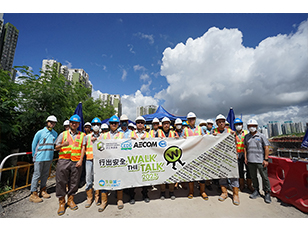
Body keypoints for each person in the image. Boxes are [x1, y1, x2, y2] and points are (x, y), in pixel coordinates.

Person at [54, 114, 86, 216]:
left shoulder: (82, 135)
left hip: (76, 161)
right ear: (69, 123)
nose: (74, 124)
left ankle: (70, 200)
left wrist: (81, 160)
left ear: (78, 124)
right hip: (63, 160)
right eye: (72, 122)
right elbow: (56, 147)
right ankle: (62, 202)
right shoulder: (62, 134)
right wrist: (62, 145)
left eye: (76, 123)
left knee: (74, 181)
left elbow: (83, 148)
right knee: (61, 181)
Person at [29, 115, 58, 203]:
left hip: (48, 157)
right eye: (51, 122)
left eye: (54, 123)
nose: (52, 124)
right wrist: (34, 155)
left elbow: (55, 145)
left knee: (45, 174)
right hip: (39, 157)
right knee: (37, 175)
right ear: (47, 122)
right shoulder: (40, 132)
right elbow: (34, 145)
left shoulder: (55, 134)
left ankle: (43, 190)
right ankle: (33, 193)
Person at [212, 114, 240, 205]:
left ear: (225, 122)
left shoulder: (230, 131)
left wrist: (233, 135)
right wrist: (213, 136)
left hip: (230, 157)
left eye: (222, 122)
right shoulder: (214, 131)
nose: (221, 123)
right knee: (222, 176)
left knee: (233, 176)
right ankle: (224, 193)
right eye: (219, 122)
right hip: (220, 158)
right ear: (216, 123)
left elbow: (235, 142)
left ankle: (235, 195)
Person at [82, 117, 108, 212]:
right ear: (92, 126)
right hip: (89, 159)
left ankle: (100, 198)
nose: (96, 126)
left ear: (100, 126)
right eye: (94, 125)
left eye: (98, 125)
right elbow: (83, 148)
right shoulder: (87, 137)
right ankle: (90, 198)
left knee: (101, 178)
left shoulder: (104, 136)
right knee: (89, 178)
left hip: (101, 160)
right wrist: (81, 159)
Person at [244, 119, 271, 204]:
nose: (252, 127)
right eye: (250, 126)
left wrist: (266, 159)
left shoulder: (261, 136)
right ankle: (256, 190)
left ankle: (267, 192)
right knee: (253, 177)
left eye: (253, 126)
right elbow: (245, 147)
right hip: (251, 160)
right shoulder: (247, 137)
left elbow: (266, 147)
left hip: (260, 160)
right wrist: (246, 157)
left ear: (256, 126)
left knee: (264, 177)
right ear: (248, 127)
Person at [182, 112, 208, 200]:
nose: (191, 120)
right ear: (187, 120)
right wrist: (183, 139)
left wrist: (214, 136)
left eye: (192, 118)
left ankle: (202, 192)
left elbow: (207, 139)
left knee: (201, 175)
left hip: (200, 155)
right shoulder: (184, 130)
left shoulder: (200, 129)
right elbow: (180, 142)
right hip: (189, 155)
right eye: (189, 119)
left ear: (195, 119)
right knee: (190, 175)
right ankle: (191, 191)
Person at [102, 115, 125, 209]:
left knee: (118, 179)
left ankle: (119, 200)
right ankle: (104, 201)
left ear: (118, 124)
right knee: (104, 180)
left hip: (118, 161)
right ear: (109, 124)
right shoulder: (103, 135)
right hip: (106, 162)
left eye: (115, 123)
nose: (114, 124)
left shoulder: (122, 135)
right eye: (112, 123)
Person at [128, 116, 151, 204]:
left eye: (142, 122)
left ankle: (145, 194)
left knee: (144, 178)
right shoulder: (131, 133)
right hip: (133, 159)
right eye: (138, 122)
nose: (140, 124)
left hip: (144, 159)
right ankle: (132, 196)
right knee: (132, 177)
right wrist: (131, 140)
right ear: (136, 124)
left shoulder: (148, 134)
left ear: (144, 124)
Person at [156, 117, 179, 200]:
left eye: (167, 124)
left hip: (171, 157)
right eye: (164, 124)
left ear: (170, 125)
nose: (166, 125)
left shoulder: (174, 133)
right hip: (161, 157)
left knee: (171, 175)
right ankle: (162, 192)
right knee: (162, 175)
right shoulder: (158, 133)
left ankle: (171, 191)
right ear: (162, 125)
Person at [234, 118, 254, 193]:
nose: (238, 126)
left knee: (249, 169)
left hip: (247, 153)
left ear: (242, 125)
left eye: (239, 124)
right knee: (240, 170)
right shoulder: (233, 134)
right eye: (236, 125)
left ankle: (249, 185)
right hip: (238, 154)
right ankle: (241, 185)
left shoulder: (246, 133)